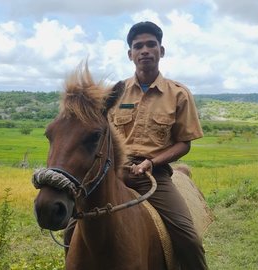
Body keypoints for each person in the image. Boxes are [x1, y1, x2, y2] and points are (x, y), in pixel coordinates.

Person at [107, 21, 207, 269]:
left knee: (189, 239)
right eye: (138, 46)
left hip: (154, 176)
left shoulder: (178, 94)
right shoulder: (115, 94)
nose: (145, 51)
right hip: (114, 174)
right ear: (130, 54)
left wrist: (150, 162)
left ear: (161, 51)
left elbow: (184, 143)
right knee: (73, 229)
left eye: (151, 44)